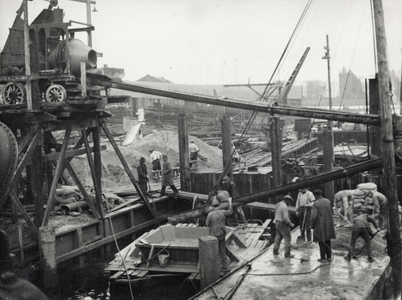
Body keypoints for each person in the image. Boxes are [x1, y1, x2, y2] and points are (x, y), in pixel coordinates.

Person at [206, 196, 233, 272]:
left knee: (214, 251)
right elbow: (230, 212)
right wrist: (230, 202)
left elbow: (207, 224)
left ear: (212, 206)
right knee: (222, 250)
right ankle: (225, 267)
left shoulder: (210, 214)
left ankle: (214, 268)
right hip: (221, 234)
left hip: (213, 236)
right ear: (219, 205)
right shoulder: (223, 212)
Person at [311, 190, 336, 262]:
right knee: (328, 240)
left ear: (315, 195)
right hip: (328, 224)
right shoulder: (328, 201)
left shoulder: (315, 203)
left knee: (321, 241)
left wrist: (312, 225)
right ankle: (329, 257)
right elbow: (331, 212)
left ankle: (322, 258)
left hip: (320, 225)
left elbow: (314, 216)